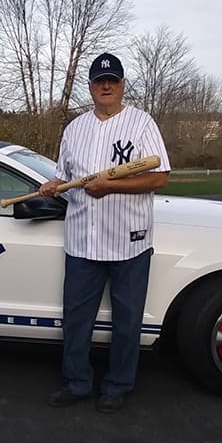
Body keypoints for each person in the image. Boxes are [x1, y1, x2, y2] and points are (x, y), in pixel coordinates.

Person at [39, 52, 171, 414]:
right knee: (76, 319)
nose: (106, 86)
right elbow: (65, 177)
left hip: (129, 240)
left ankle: (117, 386)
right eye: (100, 81)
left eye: (112, 80)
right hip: (82, 240)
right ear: (91, 87)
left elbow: (158, 176)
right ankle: (78, 382)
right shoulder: (74, 129)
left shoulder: (141, 123)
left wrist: (111, 187)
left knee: (126, 321)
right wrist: (56, 185)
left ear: (122, 84)